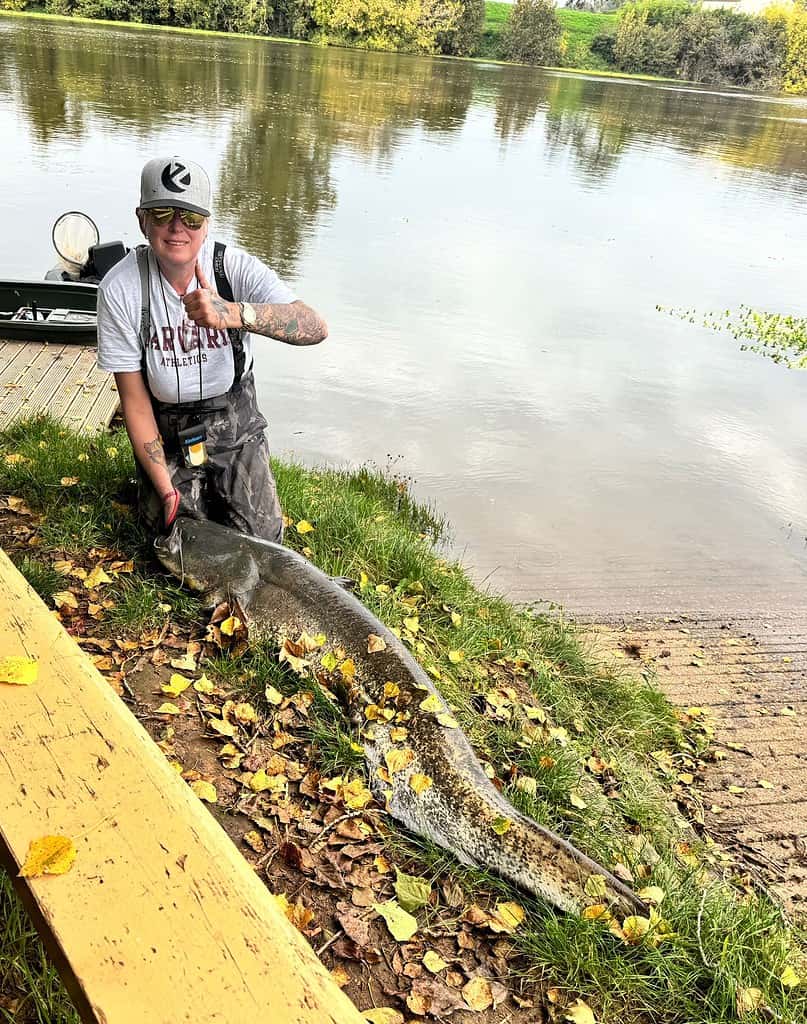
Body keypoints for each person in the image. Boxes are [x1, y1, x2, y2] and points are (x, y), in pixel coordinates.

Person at [96, 156, 327, 541]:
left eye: (190, 218)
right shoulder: (120, 288)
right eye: (163, 213)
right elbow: (135, 402)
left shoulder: (231, 267)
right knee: (180, 541)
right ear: (142, 220)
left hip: (235, 424)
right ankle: (166, 489)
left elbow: (315, 327)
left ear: (206, 225)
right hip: (166, 427)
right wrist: (165, 488)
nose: (177, 228)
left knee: (263, 540)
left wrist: (236, 313)